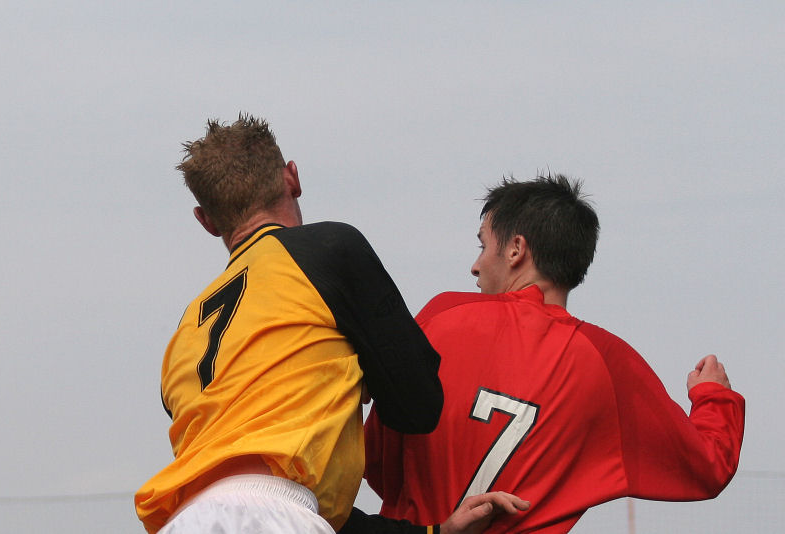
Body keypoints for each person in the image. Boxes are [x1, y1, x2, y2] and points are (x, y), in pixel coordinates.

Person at [135, 115, 525, 534]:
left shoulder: (183, 334)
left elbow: (265, 492)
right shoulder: (328, 250)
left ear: (206, 220)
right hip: (279, 518)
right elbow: (418, 407)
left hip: (183, 521)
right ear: (292, 178)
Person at [364, 174, 745, 533]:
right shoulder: (608, 363)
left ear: (516, 249)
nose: (476, 265)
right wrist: (713, 395)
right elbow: (708, 467)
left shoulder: (443, 316)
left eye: (483, 245)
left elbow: (378, 462)